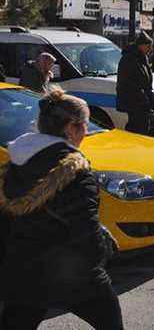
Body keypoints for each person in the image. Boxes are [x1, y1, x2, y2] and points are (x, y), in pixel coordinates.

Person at [0, 89, 123, 329]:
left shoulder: (15, 161)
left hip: (22, 271)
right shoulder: (75, 171)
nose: (86, 132)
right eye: (84, 125)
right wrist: (103, 253)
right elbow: (86, 231)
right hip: (73, 274)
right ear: (71, 127)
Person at [116, 32, 154, 134]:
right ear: (141, 45)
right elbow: (129, 84)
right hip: (135, 103)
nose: (150, 49)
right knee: (137, 129)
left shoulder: (142, 58)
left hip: (141, 103)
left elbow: (145, 80)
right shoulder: (129, 59)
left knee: (143, 128)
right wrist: (144, 97)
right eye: (148, 46)